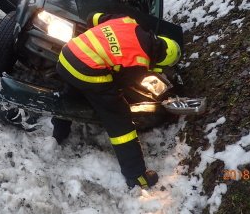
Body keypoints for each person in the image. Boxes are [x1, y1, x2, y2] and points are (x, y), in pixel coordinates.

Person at [53, 12, 182, 189]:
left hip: (67, 55)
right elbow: (122, 86)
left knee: (71, 96)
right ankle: (136, 176)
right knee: (120, 120)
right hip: (86, 70)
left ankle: (58, 134)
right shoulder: (140, 60)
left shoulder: (127, 20)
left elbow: (92, 17)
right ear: (160, 61)